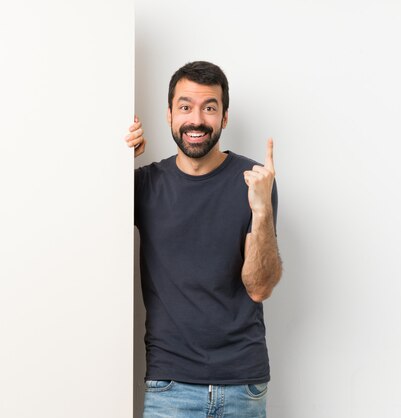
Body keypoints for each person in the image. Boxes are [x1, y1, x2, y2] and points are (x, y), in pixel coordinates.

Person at [125, 61, 282, 417]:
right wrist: (117, 162)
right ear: (168, 114)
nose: (196, 119)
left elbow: (259, 287)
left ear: (224, 117)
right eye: (185, 107)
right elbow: (79, 221)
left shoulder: (253, 182)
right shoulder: (145, 185)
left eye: (209, 107)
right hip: (170, 387)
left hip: (244, 384)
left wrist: (262, 211)